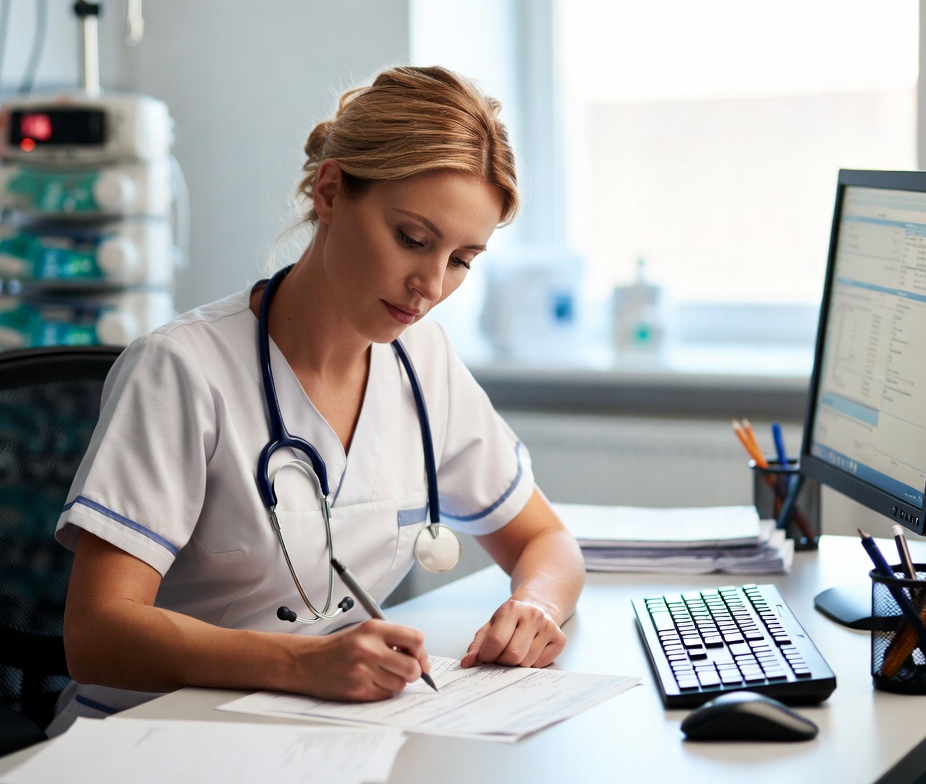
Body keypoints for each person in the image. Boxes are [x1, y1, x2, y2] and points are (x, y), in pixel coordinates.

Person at [49, 65, 585, 734]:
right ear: (330, 192)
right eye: (413, 240)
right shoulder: (184, 370)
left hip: (320, 734)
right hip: (153, 737)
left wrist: (534, 606)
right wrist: (301, 664)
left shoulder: (423, 363)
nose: (430, 284)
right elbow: (97, 637)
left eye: (462, 258)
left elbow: (546, 540)